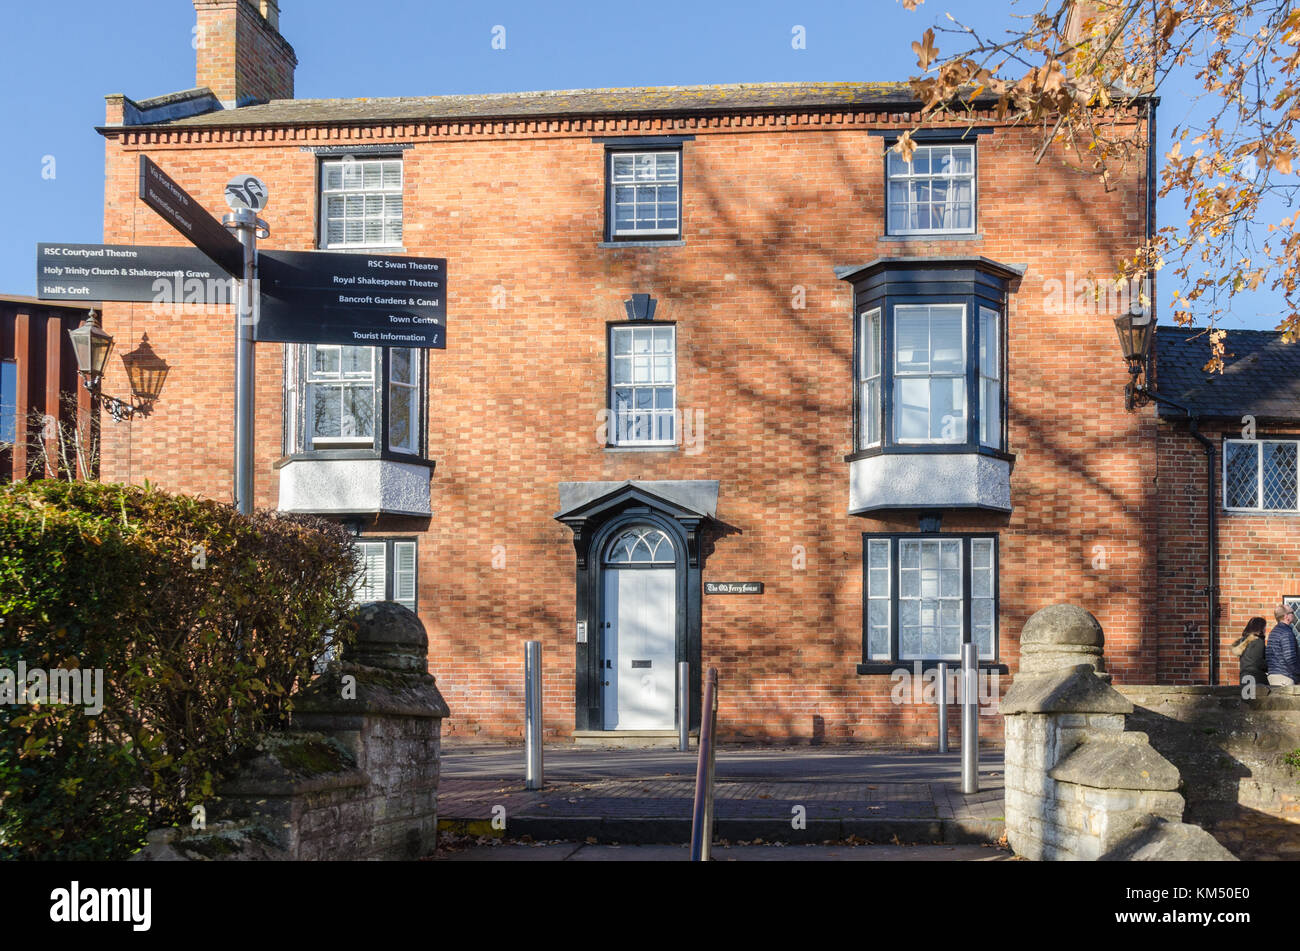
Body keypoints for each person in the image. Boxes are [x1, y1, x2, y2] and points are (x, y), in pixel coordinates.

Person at [1265, 604, 1300, 686]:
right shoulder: (1286, 633)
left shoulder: (1274, 631)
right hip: (1285, 678)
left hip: (1273, 676)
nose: (1294, 614)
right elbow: (1290, 657)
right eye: (1292, 612)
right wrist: (1298, 672)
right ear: (1286, 616)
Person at [1230, 616, 1268, 687]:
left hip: (1244, 676)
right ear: (1260, 628)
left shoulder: (1243, 640)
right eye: (1264, 627)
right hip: (1255, 677)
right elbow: (1258, 662)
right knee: (1258, 698)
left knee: (1247, 697)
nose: (1265, 629)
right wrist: (1269, 665)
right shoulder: (1258, 641)